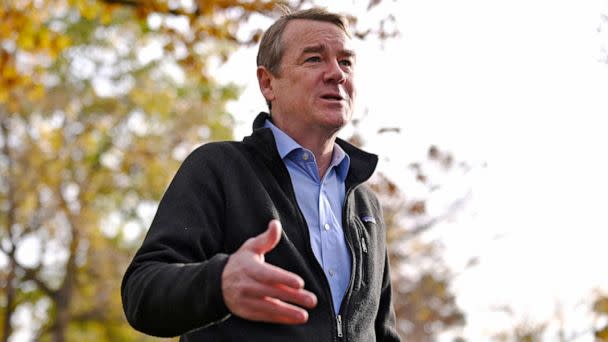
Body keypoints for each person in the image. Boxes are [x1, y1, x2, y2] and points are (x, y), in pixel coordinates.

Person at [121, 7, 400, 342]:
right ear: (268, 83)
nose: (336, 74)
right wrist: (219, 283)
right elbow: (141, 292)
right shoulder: (218, 168)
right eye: (314, 59)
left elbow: (383, 333)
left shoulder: (366, 204)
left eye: (346, 61)